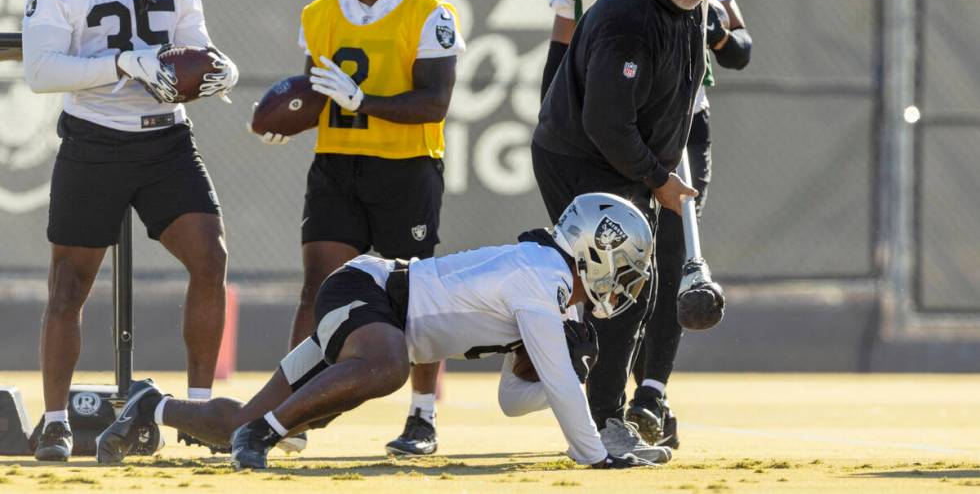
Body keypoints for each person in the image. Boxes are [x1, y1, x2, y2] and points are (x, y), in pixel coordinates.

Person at [96, 193, 671, 470]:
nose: (625, 280)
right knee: (388, 367)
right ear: (597, 251)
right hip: (367, 293)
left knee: (241, 422)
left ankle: (153, 407)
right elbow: (571, 409)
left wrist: (563, 372)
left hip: (378, 324)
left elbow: (512, 400)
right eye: (626, 265)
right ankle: (266, 434)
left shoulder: (549, 294)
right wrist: (596, 457)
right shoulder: (540, 277)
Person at [21, 0, 239, 461]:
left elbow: (197, 48)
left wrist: (217, 70)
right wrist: (122, 63)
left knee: (210, 257)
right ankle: (58, 419)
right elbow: (40, 70)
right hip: (96, 140)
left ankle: (199, 412)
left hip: (167, 139)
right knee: (68, 284)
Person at [543, 0, 753, 451]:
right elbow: (560, 60)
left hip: (681, 120)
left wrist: (714, 26)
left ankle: (652, 393)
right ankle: (588, 385)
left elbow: (740, 48)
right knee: (611, 263)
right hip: (605, 128)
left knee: (671, 254)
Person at [246, 0, 463, 457]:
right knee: (317, 290)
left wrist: (362, 100)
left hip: (405, 168)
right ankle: (288, 413)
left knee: (415, 297)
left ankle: (421, 416)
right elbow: (314, 96)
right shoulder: (318, 14)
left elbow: (434, 103)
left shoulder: (429, 12)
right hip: (337, 166)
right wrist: (285, 121)